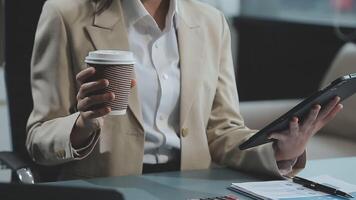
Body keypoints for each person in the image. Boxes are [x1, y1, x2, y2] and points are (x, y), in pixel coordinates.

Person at [26, 0, 343, 180]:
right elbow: (38, 138)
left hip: (190, 187)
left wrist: (278, 152)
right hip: (106, 186)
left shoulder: (210, 22)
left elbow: (221, 131)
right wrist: (82, 125)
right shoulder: (66, 14)